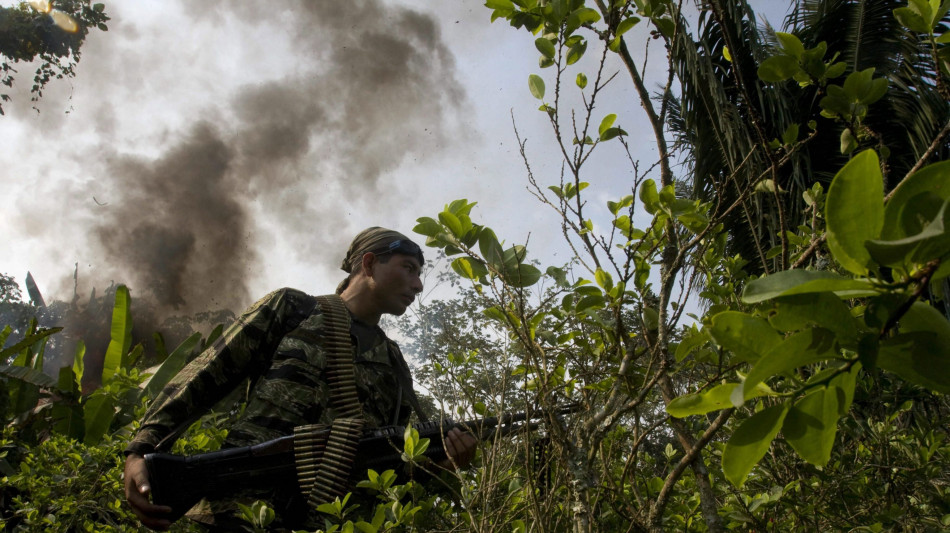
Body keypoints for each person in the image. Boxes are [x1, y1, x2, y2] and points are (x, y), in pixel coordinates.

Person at [124, 227, 478, 531]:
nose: (417, 285)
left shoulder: (394, 361)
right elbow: (205, 376)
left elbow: (388, 458)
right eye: (409, 268)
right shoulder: (293, 308)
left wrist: (439, 464)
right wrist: (141, 450)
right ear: (369, 264)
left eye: (420, 275)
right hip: (244, 509)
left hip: (331, 520)